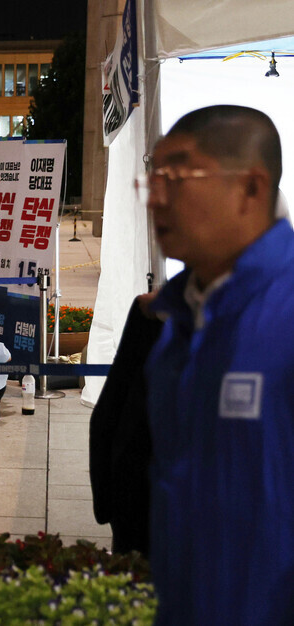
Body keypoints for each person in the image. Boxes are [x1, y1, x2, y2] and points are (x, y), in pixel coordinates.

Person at [143, 105, 294, 623]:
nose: (156, 198)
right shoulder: (181, 319)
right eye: (153, 177)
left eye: (179, 176)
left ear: (251, 189)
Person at [88, 294, 162, 557]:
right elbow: (108, 413)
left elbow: (107, 414)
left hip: (139, 497)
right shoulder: (152, 310)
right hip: (139, 497)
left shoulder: (154, 310)